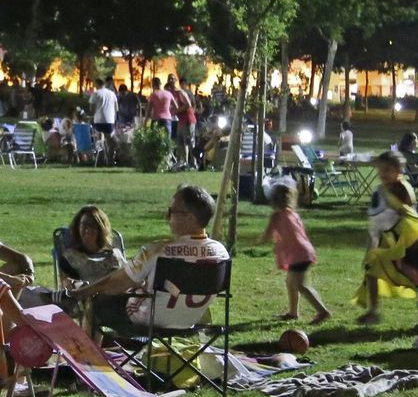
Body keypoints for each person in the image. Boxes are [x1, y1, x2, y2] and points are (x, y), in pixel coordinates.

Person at [69, 185, 230, 332]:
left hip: (148, 320)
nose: (167, 218)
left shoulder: (158, 251)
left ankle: (87, 359)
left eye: (171, 212)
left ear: (190, 217)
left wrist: (81, 292)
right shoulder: (221, 253)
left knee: (93, 303)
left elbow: (115, 285)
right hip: (189, 322)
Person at [356, 151, 418, 324]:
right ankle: (373, 311)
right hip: (387, 241)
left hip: (410, 243)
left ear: (399, 170)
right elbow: (376, 218)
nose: (383, 173)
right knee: (372, 271)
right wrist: (373, 243)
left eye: (388, 170)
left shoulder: (402, 188)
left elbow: (408, 215)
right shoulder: (380, 191)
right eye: (380, 169)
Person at [265, 182, 331, 324]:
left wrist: (257, 242)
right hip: (303, 252)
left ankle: (322, 311)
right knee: (290, 282)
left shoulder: (276, 216)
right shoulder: (293, 214)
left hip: (298, 255)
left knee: (301, 285)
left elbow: (267, 235)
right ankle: (293, 313)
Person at [171, 76, 197, 169]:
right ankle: (184, 162)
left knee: (190, 142)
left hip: (188, 120)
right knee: (181, 142)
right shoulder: (173, 93)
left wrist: (177, 111)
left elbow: (189, 104)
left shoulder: (180, 92)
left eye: (173, 81)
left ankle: (194, 162)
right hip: (181, 120)